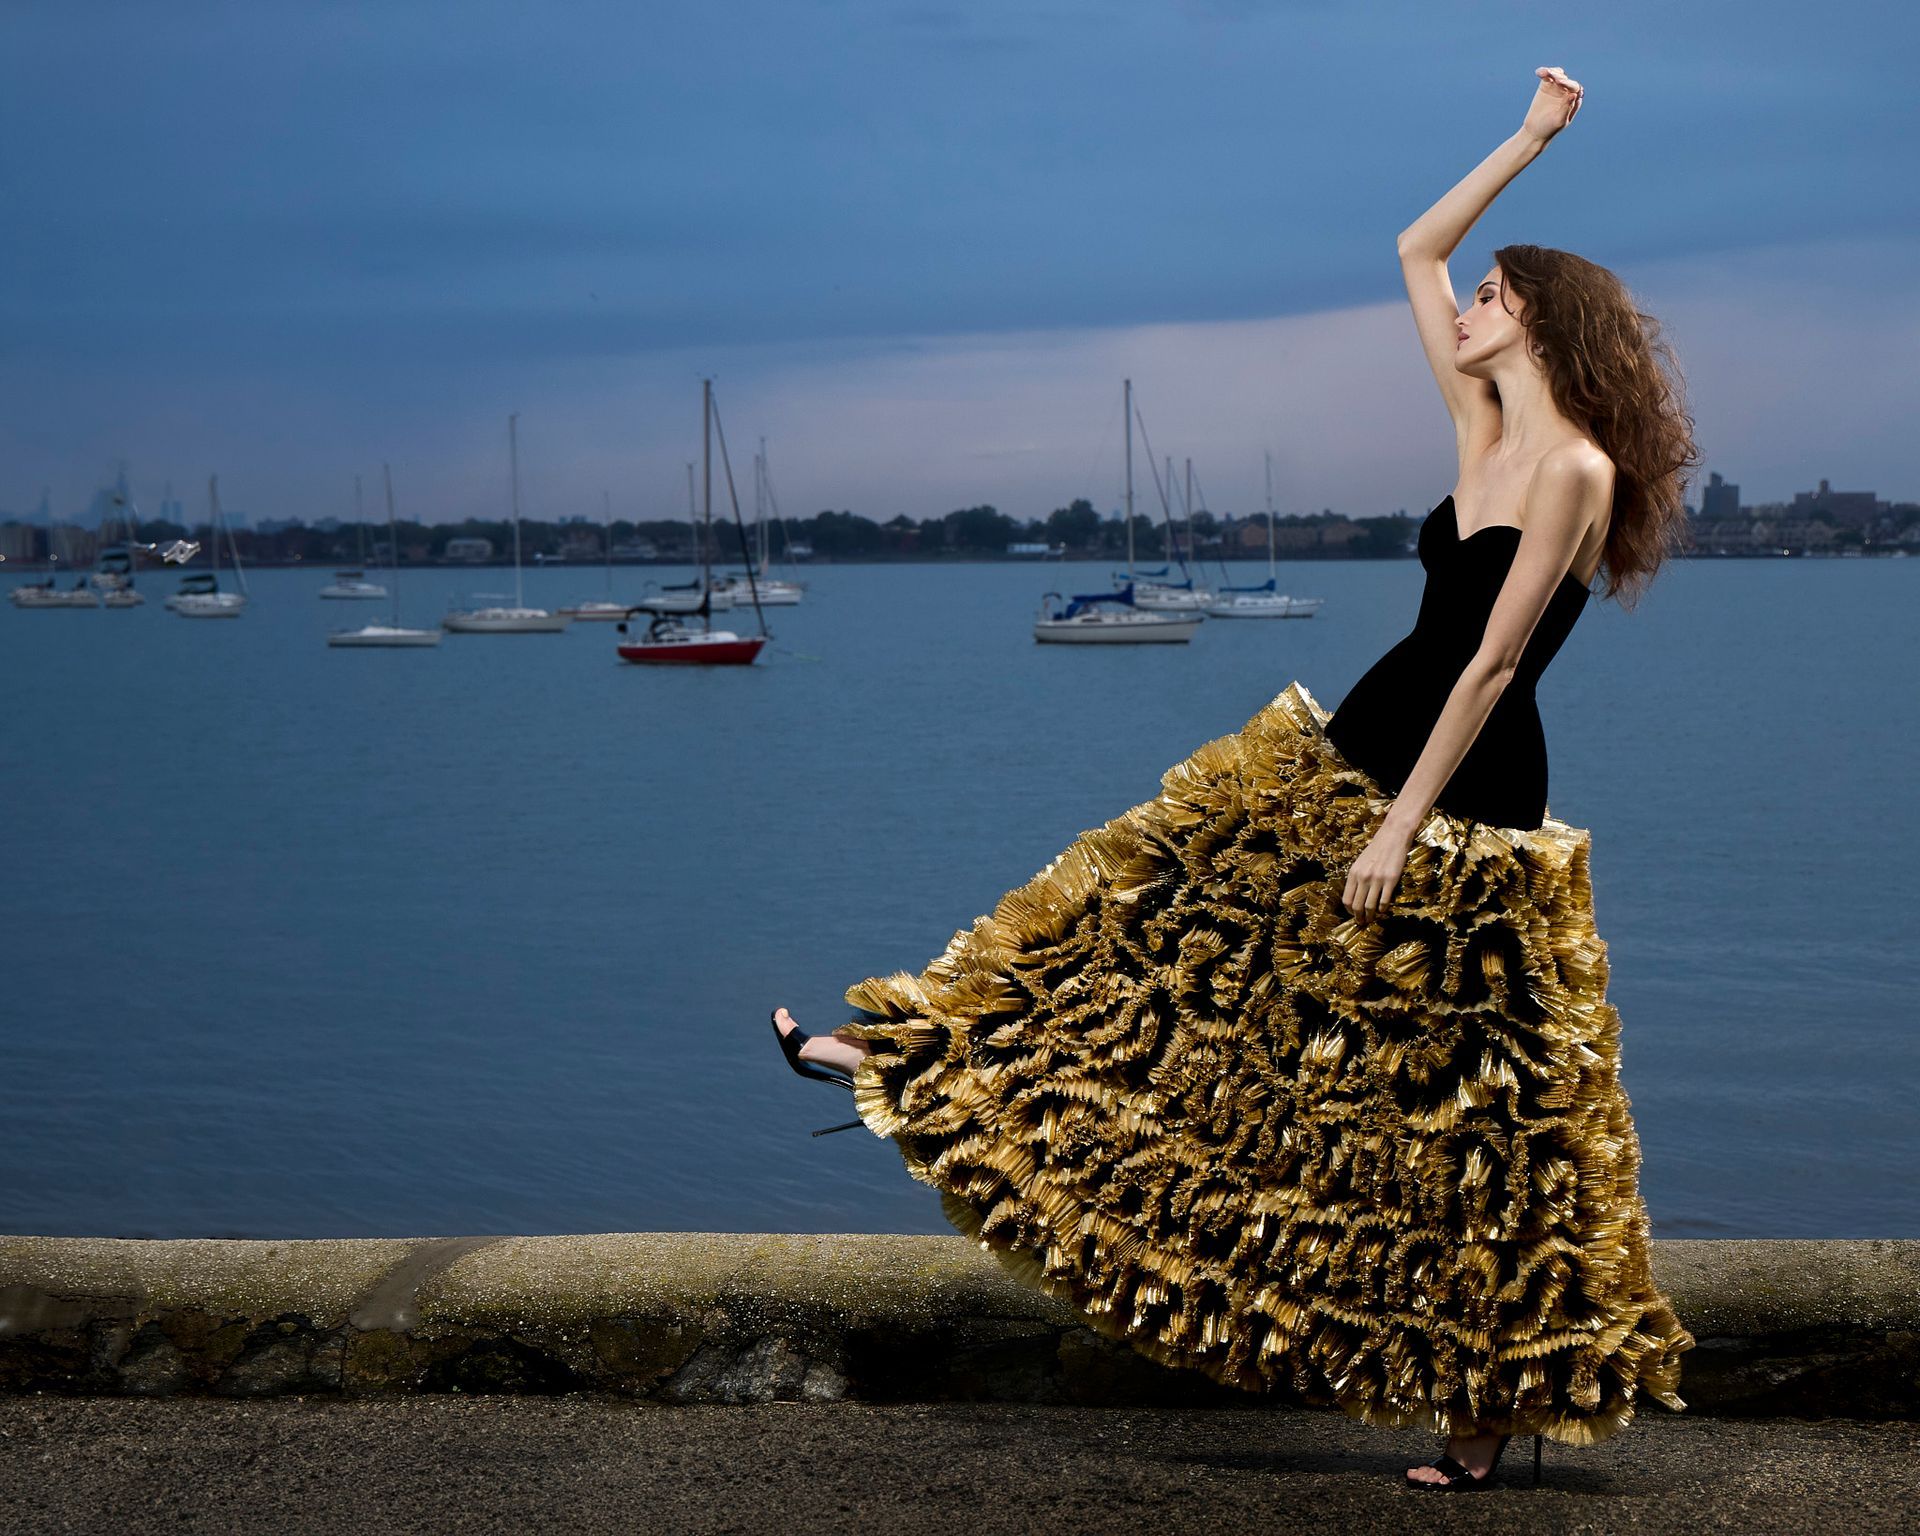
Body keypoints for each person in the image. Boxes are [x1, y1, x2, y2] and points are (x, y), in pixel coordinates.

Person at [771, 63, 1698, 1493]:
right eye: (1475, 297)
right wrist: (1525, 138)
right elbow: (1411, 248)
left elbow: (1495, 670)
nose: (1462, 309)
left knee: (1468, 1110)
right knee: (1154, 942)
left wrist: (1399, 829)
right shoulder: (1481, 436)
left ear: (1537, 321)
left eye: (1491, 297)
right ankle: (914, 1056)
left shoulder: (1569, 466)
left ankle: (1488, 1406)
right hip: (1356, 757)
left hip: (1461, 796)